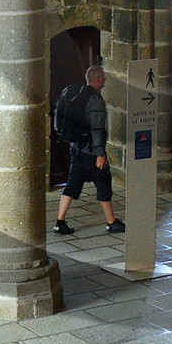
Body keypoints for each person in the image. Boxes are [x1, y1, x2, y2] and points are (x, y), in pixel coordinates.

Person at [53, 64, 124, 237]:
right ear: (98, 79)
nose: (105, 80)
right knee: (104, 183)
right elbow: (97, 130)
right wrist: (100, 155)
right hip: (91, 152)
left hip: (76, 149)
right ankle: (111, 222)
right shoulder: (95, 100)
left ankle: (59, 222)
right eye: (103, 77)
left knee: (72, 184)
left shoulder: (77, 94)